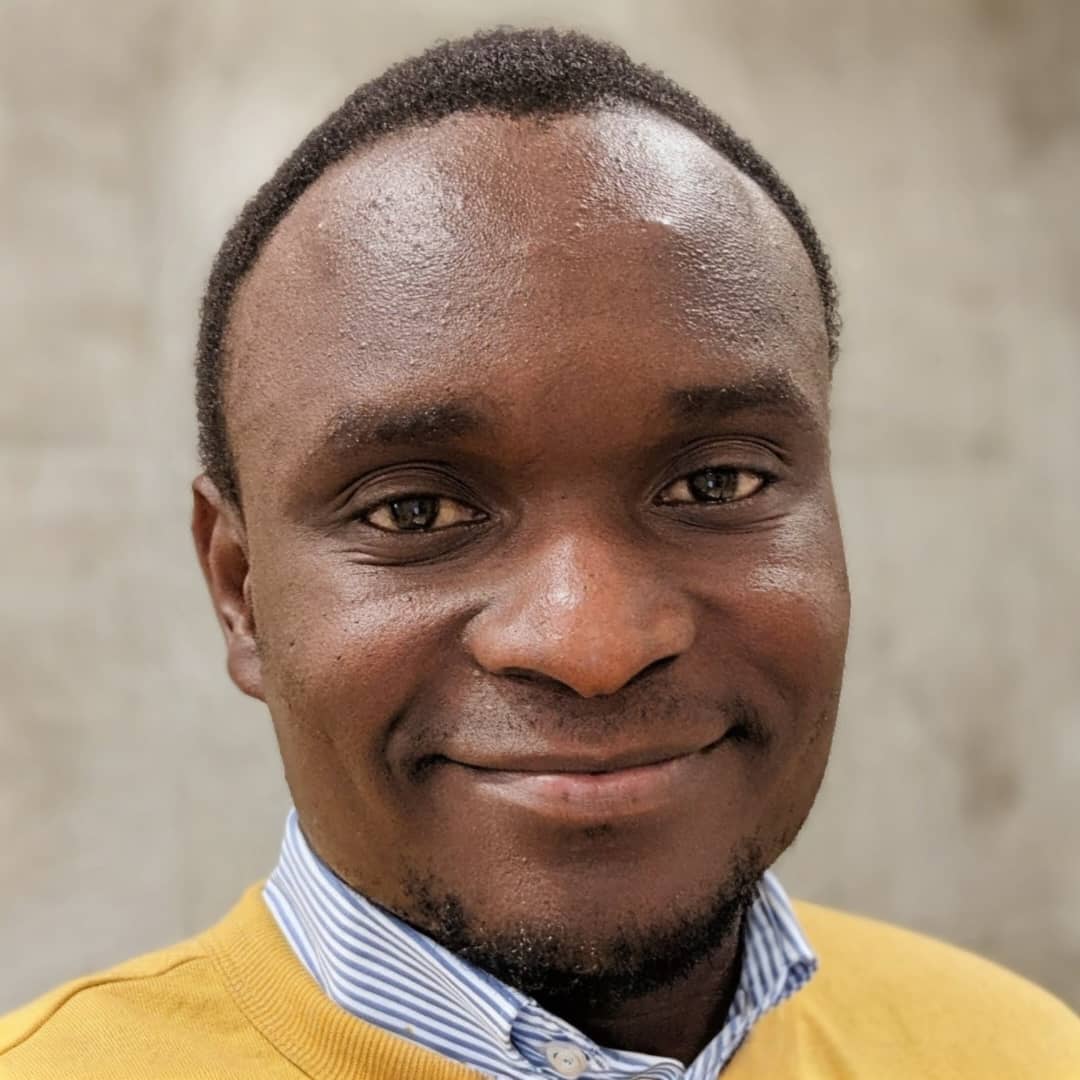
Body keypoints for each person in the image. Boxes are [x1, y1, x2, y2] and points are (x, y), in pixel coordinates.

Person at [2, 26, 1077, 1080]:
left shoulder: (1017, 1050)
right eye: (414, 511)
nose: (592, 644)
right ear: (240, 592)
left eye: (716, 484)